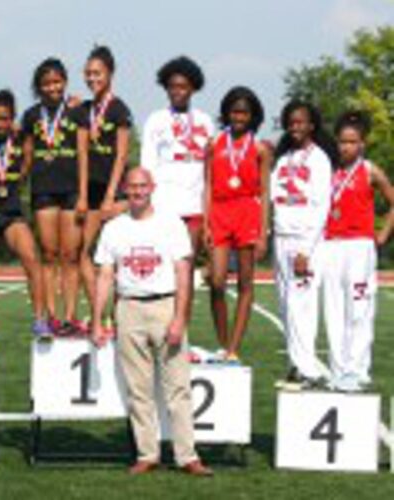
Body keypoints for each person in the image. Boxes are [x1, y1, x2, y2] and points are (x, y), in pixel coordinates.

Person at [92, 167, 213, 476]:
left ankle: (187, 456)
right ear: (124, 188)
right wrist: (96, 319)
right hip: (129, 308)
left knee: (178, 388)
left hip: (164, 305)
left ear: (152, 187)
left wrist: (179, 319)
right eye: (132, 186)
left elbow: (183, 273)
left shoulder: (170, 223)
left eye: (143, 185)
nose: (137, 191)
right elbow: (105, 275)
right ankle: (148, 454)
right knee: (138, 389)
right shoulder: (114, 228)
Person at [0, 90, 50, 361]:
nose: (0, 124)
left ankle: (40, 321)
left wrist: (76, 104)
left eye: (5, 119)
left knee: (32, 260)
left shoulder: (22, 136)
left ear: (12, 118)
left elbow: (44, 131)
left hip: (13, 213)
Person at [323, 111, 394, 392]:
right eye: (342, 141)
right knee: (334, 310)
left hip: (360, 248)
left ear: (362, 144)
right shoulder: (328, 169)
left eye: (352, 142)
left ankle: (358, 369)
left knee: (360, 309)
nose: (346, 147)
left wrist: (384, 234)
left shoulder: (370, 170)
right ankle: (338, 369)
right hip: (330, 246)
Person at [141, 56, 214, 324]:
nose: (177, 91)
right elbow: (147, 166)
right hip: (163, 207)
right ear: (166, 87)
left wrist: (208, 212)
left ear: (193, 88)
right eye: (172, 86)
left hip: (193, 207)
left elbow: (210, 171)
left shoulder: (205, 122)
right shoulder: (155, 120)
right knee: (160, 270)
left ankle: (181, 329)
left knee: (186, 270)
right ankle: (159, 327)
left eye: (183, 86)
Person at [271, 100, 336, 389]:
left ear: (312, 125)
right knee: (286, 307)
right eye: (291, 122)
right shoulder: (284, 158)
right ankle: (296, 366)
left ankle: (308, 368)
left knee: (302, 306)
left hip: (304, 242)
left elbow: (322, 207)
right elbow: (272, 197)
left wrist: (305, 250)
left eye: (301, 122)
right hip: (282, 237)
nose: (296, 127)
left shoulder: (319, 159)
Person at [204, 86, 271, 364]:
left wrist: (264, 231)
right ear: (226, 113)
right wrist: (206, 222)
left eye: (244, 112)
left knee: (245, 281)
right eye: (234, 111)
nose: (238, 116)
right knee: (217, 281)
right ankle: (222, 342)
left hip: (247, 211)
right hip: (219, 210)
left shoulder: (260, 148)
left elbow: (266, 192)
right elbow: (207, 185)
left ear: (252, 115)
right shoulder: (214, 144)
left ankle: (233, 346)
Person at [21, 58, 82, 334]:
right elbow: (26, 154)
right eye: (46, 83)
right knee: (48, 254)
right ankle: (49, 317)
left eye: (57, 82)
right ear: (39, 86)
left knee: (70, 255)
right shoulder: (31, 115)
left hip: (71, 189)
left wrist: (83, 193)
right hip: (43, 189)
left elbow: (84, 152)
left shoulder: (77, 110)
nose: (52, 87)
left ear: (65, 82)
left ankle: (70, 316)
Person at [77, 45, 132, 331]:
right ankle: (98, 314)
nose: (91, 78)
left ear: (110, 74)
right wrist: (85, 195)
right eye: (87, 73)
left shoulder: (119, 109)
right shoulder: (84, 109)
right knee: (82, 253)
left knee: (118, 259)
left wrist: (112, 196)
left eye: (97, 73)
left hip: (115, 193)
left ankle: (118, 316)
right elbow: (83, 153)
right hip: (92, 193)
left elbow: (122, 155)